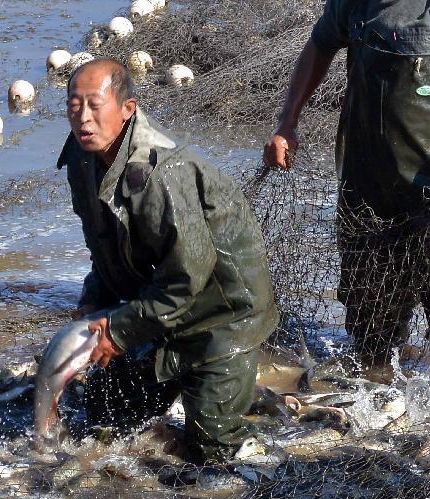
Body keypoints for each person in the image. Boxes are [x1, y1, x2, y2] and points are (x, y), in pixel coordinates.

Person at [58, 59, 278, 463]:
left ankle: (233, 392)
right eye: (74, 105)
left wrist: (120, 331)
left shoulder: (163, 173)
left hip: (224, 314)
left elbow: (185, 278)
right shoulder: (81, 158)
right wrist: (93, 300)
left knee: (213, 451)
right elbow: (103, 249)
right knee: (101, 421)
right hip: (162, 307)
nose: (83, 118)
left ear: (128, 109)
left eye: (95, 104)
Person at [264, 1, 430, 365]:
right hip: (366, 191)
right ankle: (376, 390)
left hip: (427, 191)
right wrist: (287, 122)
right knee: (370, 329)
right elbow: (319, 45)